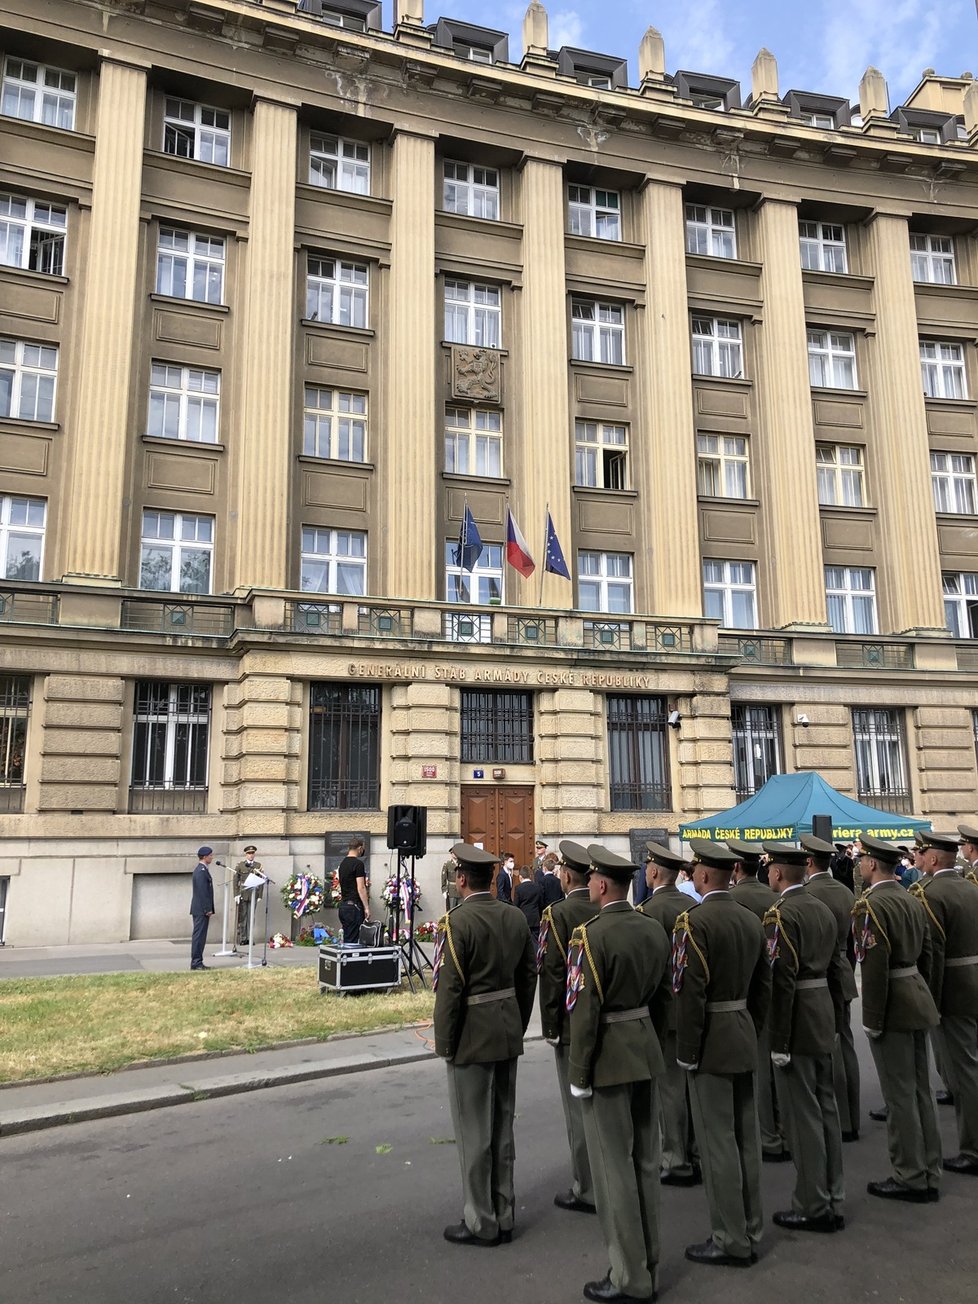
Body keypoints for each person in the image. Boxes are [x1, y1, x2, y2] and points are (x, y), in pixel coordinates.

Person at [568, 844, 671, 1304]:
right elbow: (665, 997)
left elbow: (584, 1013)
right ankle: (648, 1260)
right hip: (647, 1050)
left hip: (608, 1058)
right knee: (646, 1163)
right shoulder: (652, 928)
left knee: (613, 1171)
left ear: (602, 884)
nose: (588, 884)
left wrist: (579, 1072)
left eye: (591, 878)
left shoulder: (589, 936)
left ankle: (629, 1276)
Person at [673, 839, 771, 1268]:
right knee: (745, 1138)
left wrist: (687, 1051)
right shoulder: (751, 920)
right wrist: (753, 1027)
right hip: (743, 1031)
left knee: (718, 1144)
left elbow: (689, 994)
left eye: (695, 868)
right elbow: (763, 987)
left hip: (711, 1037)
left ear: (705, 875)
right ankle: (751, 1225)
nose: (693, 874)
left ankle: (730, 1237)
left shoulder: (693, 923)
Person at [434, 843, 537, 1248]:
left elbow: (450, 990)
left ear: (461, 879)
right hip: (507, 1029)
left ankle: (481, 1220)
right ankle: (504, 1210)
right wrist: (518, 1020)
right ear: (490, 878)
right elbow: (529, 976)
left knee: (475, 1132)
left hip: (472, 1036)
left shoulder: (456, 923)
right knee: (502, 1127)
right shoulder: (513, 918)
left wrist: (446, 1042)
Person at [761, 842, 846, 1234]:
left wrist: (778, 1041)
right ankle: (832, 1192)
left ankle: (813, 1203)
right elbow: (834, 968)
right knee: (826, 1105)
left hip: (796, 1016)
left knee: (803, 1113)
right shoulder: (822, 909)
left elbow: (782, 979)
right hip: (823, 1011)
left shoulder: (781, 915)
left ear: (777, 874)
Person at [853, 834, 942, 1202]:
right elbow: (929, 953)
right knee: (920, 1089)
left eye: (862, 860)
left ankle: (909, 1174)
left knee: (899, 1093)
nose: (859, 865)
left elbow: (874, 969)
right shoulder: (911, 898)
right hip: (917, 995)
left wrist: (872, 1018)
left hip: (892, 1002)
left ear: (873, 864)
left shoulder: (870, 906)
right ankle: (929, 1165)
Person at [910, 830, 978, 1176]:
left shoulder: (929, 893)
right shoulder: (971, 887)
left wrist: (930, 1001)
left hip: (954, 989)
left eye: (923, 854)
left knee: (964, 1071)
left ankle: (974, 1149)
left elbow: (932, 953)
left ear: (933, 859)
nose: (920, 859)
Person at [538, 840, 599, 1215]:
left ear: (565, 875)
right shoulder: (602, 906)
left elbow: (552, 972)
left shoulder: (556, 914)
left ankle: (587, 1186)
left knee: (578, 1109)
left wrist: (551, 1026)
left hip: (572, 1023)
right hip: (609, 1022)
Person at [639, 842, 700, 1187]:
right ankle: (696, 1150)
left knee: (671, 1089)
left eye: (647, 867)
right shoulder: (691, 904)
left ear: (655, 872)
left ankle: (677, 1158)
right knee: (693, 1084)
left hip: (665, 1009)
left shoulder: (650, 910)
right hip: (694, 1005)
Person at [801, 833, 861, 1142]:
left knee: (827, 1045)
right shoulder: (844, 892)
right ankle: (852, 1115)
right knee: (845, 1043)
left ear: (808, 861)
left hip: (821, 973)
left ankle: (837, 1117)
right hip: (843, 968)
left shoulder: (808, 894)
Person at [728, 841, 784, 1163]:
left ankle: (767, 1135)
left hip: (745, 992)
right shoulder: (775, 898)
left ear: (736, 868)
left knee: (760, 1067)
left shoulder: (733, 900)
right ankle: (781, 1125)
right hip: (778, 986)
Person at [337, 838, 370, 944]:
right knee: (353, 942)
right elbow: (361, 888)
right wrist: (366, 907)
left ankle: (345, 960)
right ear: (360, 848)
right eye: (362, 848)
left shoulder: (342, 864)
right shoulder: (358, 864)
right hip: (354, 907)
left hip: (344, 906)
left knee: (348, 938)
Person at [189, 846, 215, 971]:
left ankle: (198, 961)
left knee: (201, 936)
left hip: (201, 909)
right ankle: (196, 962)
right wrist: (207, 909)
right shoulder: (201, 871)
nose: (212, 857)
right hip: (201, 909)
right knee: (199, 936)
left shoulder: (203, 870)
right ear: (204, 857)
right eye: (210, 855)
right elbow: (202, 892)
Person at [232, 844, 262, 949]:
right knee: (243, 916)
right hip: (243, 894)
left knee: (251, 917)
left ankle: (250, 938)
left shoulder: (258, 866)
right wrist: (236, 894)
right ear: (246, 855)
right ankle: (242, 938)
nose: (251, 855)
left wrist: (260, 895)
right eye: (249, 853)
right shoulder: (240, 865)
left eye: (252, 853)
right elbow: (235, 880)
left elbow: (261, 880)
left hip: (253, 894)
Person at [514, 866, 544, 940]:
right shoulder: (537, 887)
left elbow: (516, 905)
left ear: (520, 877)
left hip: (523, 918)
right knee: (536, 941)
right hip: (535, 918)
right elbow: (541, 903)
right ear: (530, 876)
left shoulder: (518, 888)